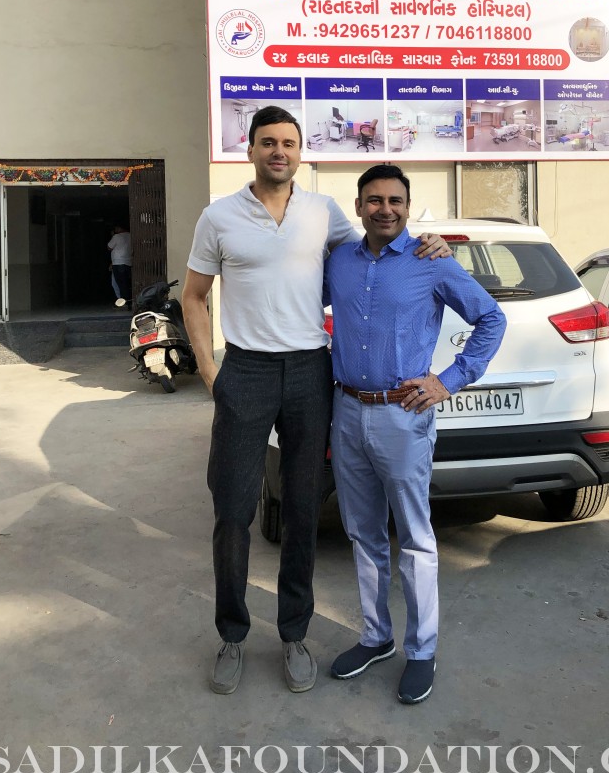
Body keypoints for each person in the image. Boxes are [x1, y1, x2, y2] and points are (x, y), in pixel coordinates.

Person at [181, 105, 449, 697]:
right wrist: (211, 372)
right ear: (249, 149)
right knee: (232, 508)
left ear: (301, 153)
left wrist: (429, 242)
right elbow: (194, 297)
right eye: (269, 142)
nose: (280, 151)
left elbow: (374, 257)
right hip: (246, 372)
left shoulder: (324, 212)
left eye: (290, 143)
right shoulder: (219, 216)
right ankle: (231, 633)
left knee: (302, 509)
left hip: (310, 372)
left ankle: (294, 633)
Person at [324, 163, 506, 705]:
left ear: (408, 205)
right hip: (347, 409)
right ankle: (376, 637)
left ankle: (421, 650)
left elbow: (491, 318)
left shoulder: (432, 261)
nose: (385, 209)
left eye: (395, 200)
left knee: (416, 538)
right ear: (358, 207)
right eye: (374, 200)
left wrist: (448, 380)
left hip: (403, 415)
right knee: (362, 533)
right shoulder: (339, 261)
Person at [107, 224, 132, 307]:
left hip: (118, 262)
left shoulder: (117, 237)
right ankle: (127, 300)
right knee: (126, 282)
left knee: (119, 283)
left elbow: (109, 247)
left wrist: (112, 236)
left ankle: (124, 301)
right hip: (128, 262)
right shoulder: (131, 236)